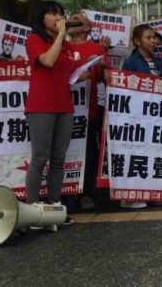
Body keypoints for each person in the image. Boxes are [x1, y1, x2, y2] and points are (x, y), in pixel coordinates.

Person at [24, 0, 89, 228]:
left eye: (60, 13)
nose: (58, 17)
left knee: (59, 159)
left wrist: (82, 72)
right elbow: (48, 61)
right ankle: (32, 209)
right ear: (41, 18)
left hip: (64, 106)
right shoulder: (34, 40)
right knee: (40, 158)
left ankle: (55, 207)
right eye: (52, 14)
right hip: (41, 106)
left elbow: (70, 72)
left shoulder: (67, 46)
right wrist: (62, 36)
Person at [121, 24, 162, 208]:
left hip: (156, 116)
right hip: (138, 116)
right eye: (149, 38)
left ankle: (154, 191)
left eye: (154, 37)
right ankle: (132, 196)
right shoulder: (131, 62)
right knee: (138, 153)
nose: (153, 41)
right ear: (137, 41)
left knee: (155, 152)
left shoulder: (158, 62)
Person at [67, 12, 110, 211]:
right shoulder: (59, 45)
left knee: (88, 151)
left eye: (78, 18)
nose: (72, 19)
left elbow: (105, 78)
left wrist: (100, 64)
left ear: (87, 27)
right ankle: (65, 192)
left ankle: (85, 192)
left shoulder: (96, 48)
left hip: (88, 109)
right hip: (63, 107)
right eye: (71, 17)